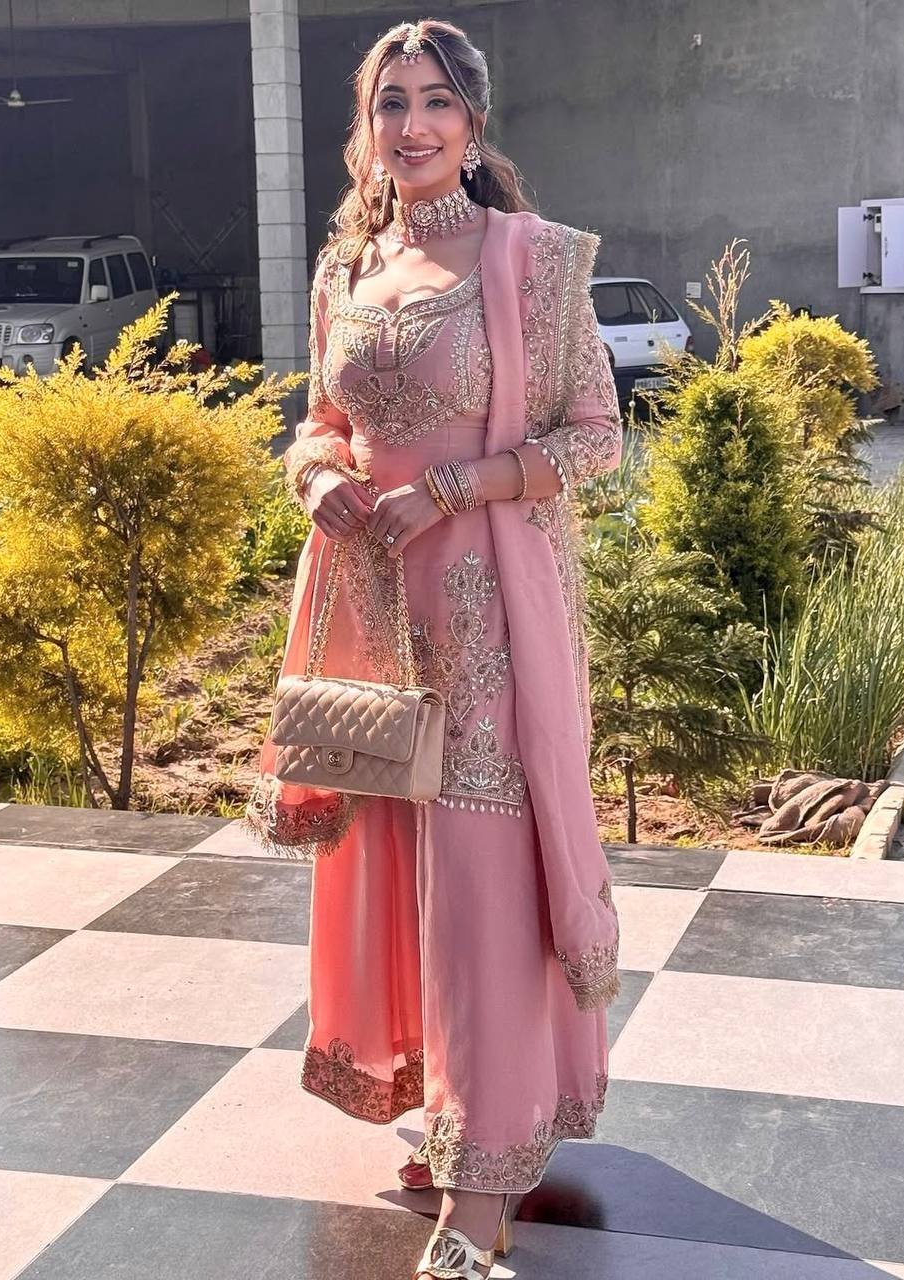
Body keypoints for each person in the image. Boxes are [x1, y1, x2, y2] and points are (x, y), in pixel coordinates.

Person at [246, 18, 623, 1279]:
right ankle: (445, 1107)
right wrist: (316, 476)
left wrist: (457, 486)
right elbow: (323, 418)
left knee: (477, 881)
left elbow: (595, 436)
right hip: (370, 612)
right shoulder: (345, 269)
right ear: (366, 129)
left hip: (486, 621)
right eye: (389, 103)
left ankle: (482, 1184)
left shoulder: (532, 263)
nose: (411, 126)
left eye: (434, 102)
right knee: (397, 862)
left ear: (472, 121)